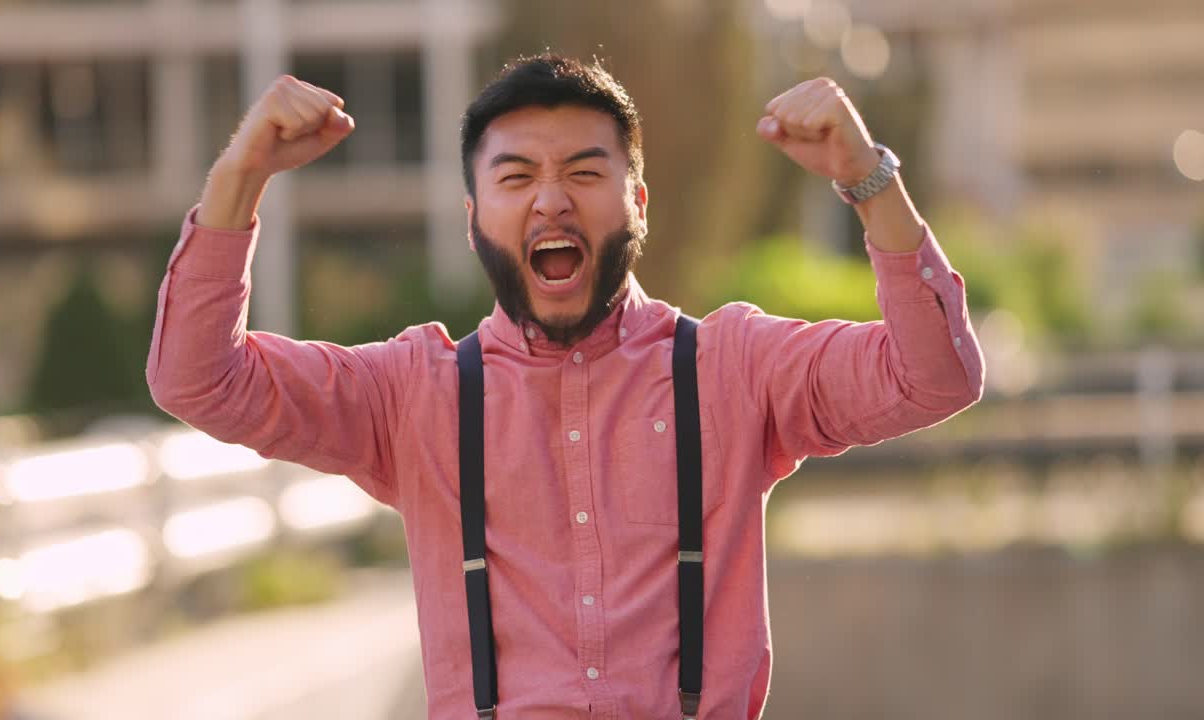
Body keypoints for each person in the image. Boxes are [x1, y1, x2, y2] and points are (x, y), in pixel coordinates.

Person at [146, 54, 983, 719]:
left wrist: (870, 180)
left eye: (585, 173)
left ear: (638, 203)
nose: (551, 199)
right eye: (515, 179)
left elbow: (934, 376)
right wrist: (240, 173)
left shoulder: (734, 368)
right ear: (474, 216)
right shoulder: (412, 393)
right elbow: (197, 378)